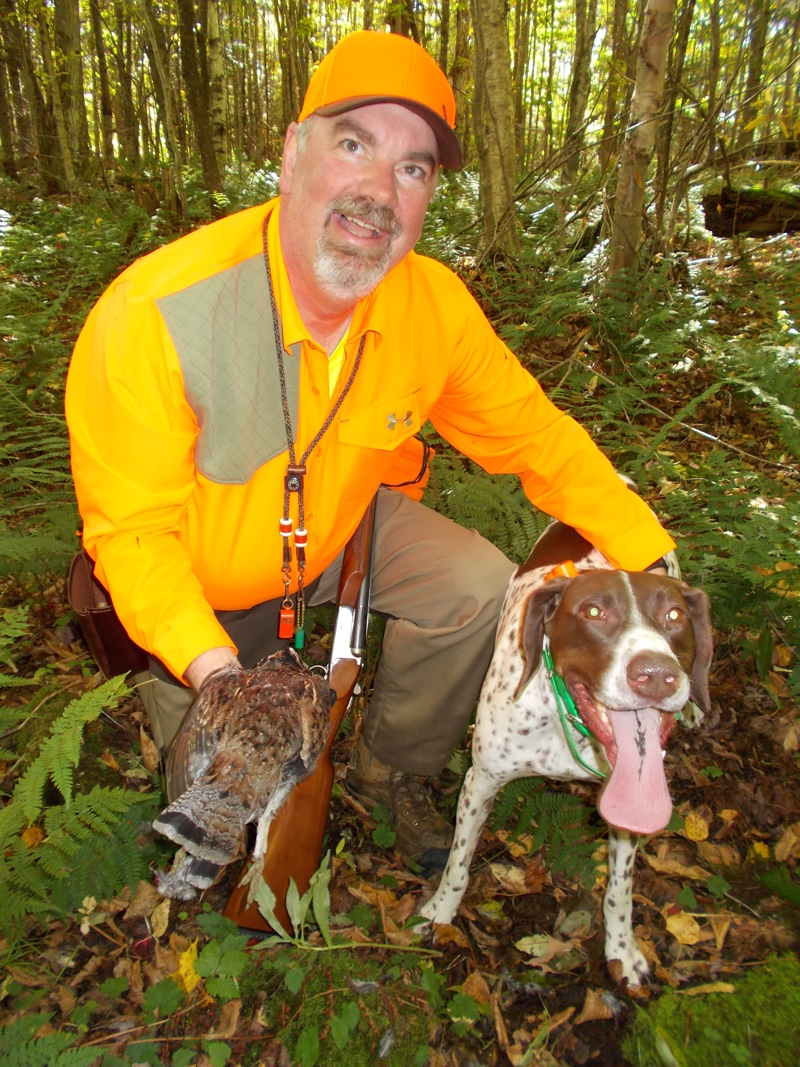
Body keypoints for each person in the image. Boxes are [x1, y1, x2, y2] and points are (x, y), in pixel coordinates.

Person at [65, 30, 675, 872]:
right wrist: (219, 679)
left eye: (413, 168)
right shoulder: (153, 315)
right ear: (291, 153)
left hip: (342, 533)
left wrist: (654, 559)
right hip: (193, 599)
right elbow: (130, 536)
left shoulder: (434, 309)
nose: (378, 191)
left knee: (474, 585)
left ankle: (392, 765)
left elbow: (536, 436)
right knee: (226, 825)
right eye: (353, 144)